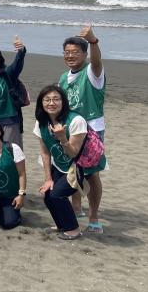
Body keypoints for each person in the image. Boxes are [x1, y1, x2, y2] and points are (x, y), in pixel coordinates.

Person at [33, 85, 106, 240]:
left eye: (56, 99)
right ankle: (61, 225)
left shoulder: (76, 120)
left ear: (63, 102)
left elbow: (73, 152)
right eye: (46, 100)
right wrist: (48, 179)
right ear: (41, 103)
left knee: (57, 195)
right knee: (47, 193)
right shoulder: (41, 123)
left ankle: (73, 229)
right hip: (59, 165)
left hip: (78, 166)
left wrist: (62, 138)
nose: (51, 103)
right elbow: (45, 152)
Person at [59, 25, 106, 233]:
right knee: (72, 169)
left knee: (92, 174)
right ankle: (76, 207)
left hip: (92, 131)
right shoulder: (63, 77)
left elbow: (96, 63)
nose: (70, 56)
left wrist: (93, 41)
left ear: (85, 54)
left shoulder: (92, 73)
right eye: (67, 52)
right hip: (70, 129)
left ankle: (93, 216)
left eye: (75, 52)